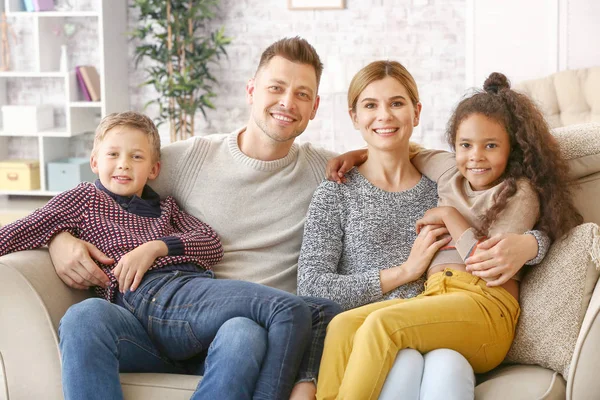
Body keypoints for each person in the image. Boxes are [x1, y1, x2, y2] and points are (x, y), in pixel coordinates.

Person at [0, 111, 325, 399]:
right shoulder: (84, 199)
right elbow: (18, 232)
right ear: (95, 161)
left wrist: (155, 246)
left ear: (154, 169)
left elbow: (209, 242)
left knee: (246, 331)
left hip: (189, 313)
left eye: (136, 157)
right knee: (84, 315)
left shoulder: (166, 208)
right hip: (139, 309)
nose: (124, 163)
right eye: (113, 154)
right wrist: (58, 236)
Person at [310, 66, 582, 400]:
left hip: (485, 305)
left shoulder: (517, 193)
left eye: (492, 146)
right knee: (343, 325)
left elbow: (484, 260)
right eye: (465, 145)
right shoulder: (451, 172)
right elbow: (411, 150)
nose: (476, 156)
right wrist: (361, 153)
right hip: (440, 296)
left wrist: (450, 215)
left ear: (512, 148)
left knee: (381, 327)